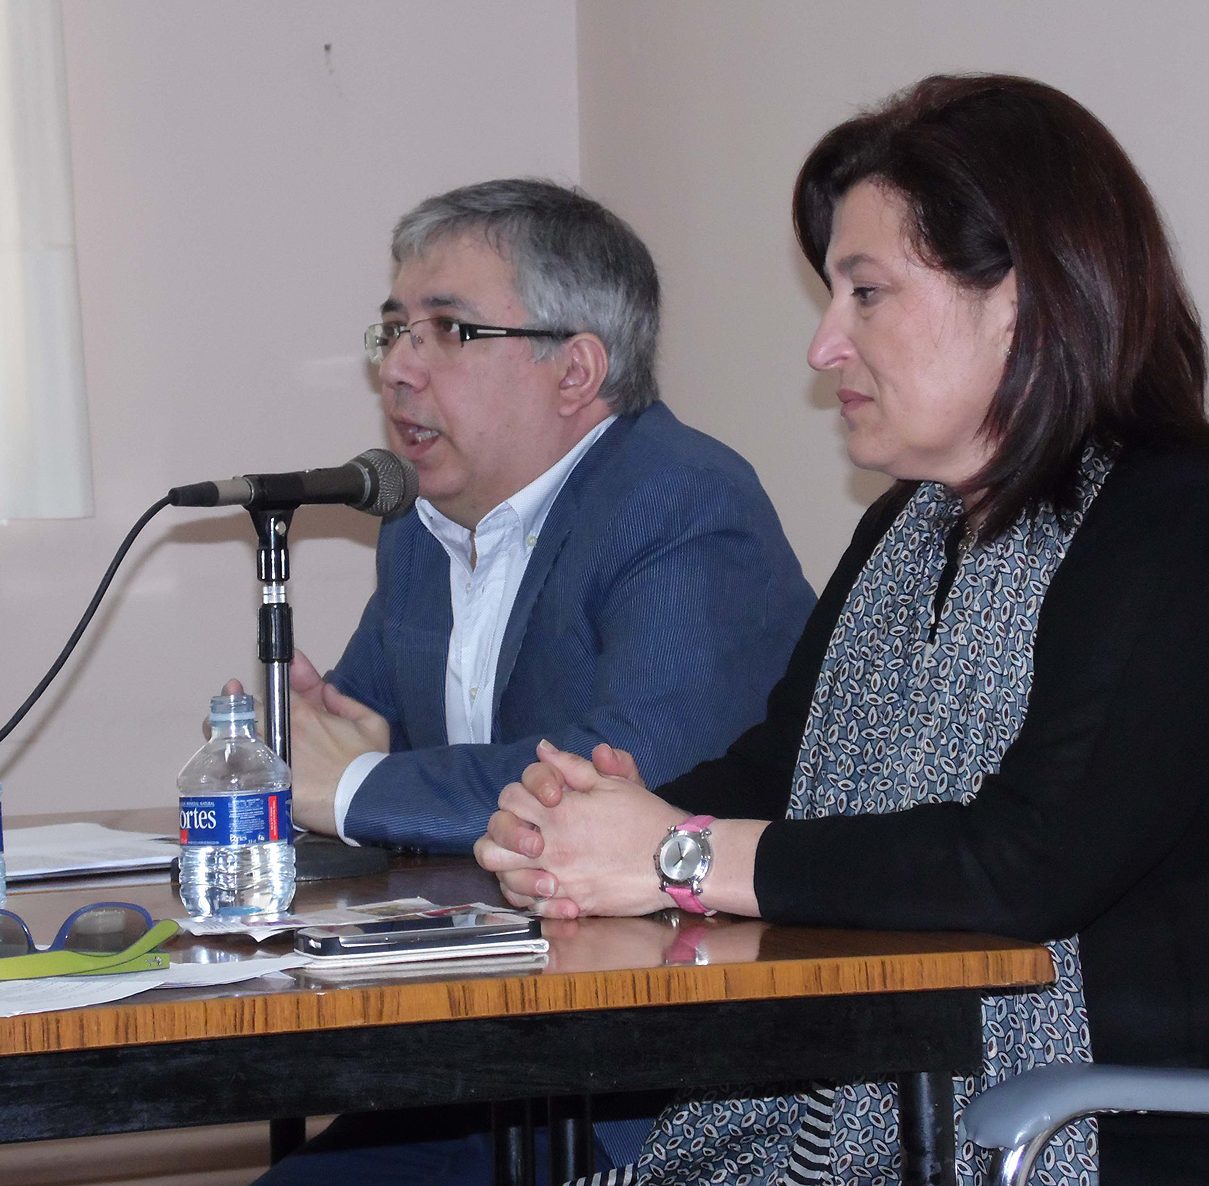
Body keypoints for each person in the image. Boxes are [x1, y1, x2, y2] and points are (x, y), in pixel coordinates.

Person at [476, 75, 1209, 1186]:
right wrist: (591, 830)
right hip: (980, 1111)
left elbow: (1026, 865)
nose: (824, 346)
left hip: (1194, 1138)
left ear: (1021, 298)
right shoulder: (908, 532)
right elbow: (784, 775)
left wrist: (675, 857)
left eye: (866, 293)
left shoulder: (1186, 524)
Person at [246, 179, 815, 1184]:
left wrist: (356, 786)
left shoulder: (681, 501)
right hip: (487, 1052)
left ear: (575, 370)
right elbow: (363, 749)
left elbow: (625, 781)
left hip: (661, 1084)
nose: (400, 369)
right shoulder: (422, 529)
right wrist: (328, 758)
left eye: (449, 331)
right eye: (393, 331)